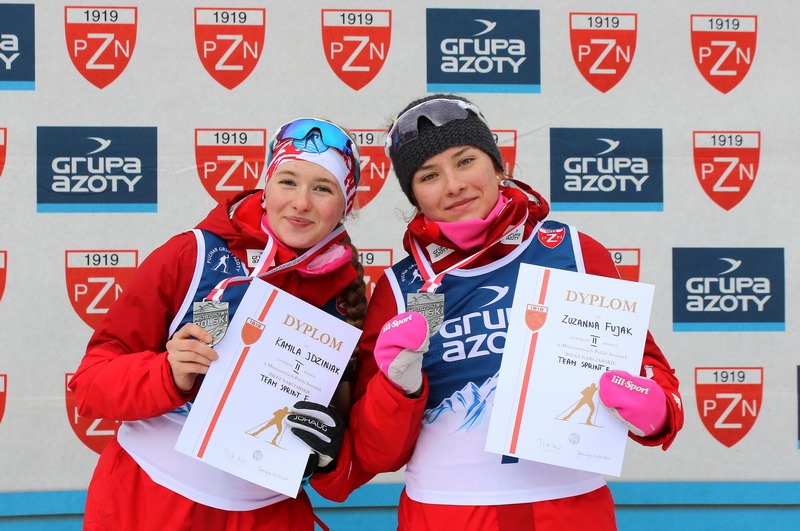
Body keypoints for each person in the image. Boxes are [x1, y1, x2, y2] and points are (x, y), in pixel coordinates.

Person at [348, 94, 684, 530]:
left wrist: (655, 409)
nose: (453, 185)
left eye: (466, 161)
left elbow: (650, 371)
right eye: (429, 175)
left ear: (498, 165)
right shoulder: (398, 289)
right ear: (413, 194)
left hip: (567, 510)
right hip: (446, 514)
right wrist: (398, 387)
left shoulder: (574, 252)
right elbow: (377, 454)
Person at [69, 118, 373, 530]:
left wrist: (331, 455)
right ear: (265, 189)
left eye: (322, 188)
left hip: (266, 515)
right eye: (287, 181)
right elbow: (89, 388)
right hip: (149, 502)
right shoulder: (192, 256)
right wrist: (166, 374)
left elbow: (353, 468)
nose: (301, 202)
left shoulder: (347, 298)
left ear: (346, 204)